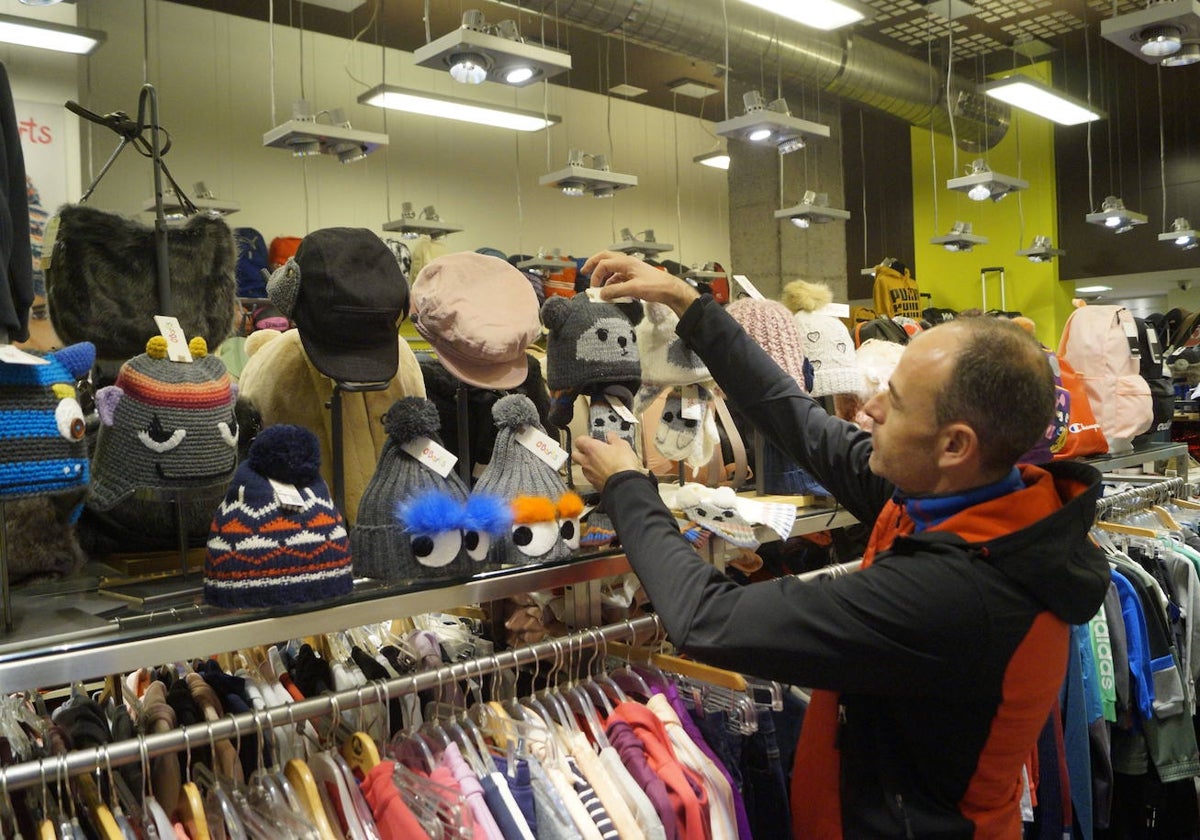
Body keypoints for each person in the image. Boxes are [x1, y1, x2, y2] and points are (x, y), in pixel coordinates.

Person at [572, 251, 1111, 839]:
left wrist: (627, 485)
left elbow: (707, 618)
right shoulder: (965, 501)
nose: (868, 408)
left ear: (955, 444)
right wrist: (689, 305)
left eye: (895, 400)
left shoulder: (955, 591)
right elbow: (798, 421)